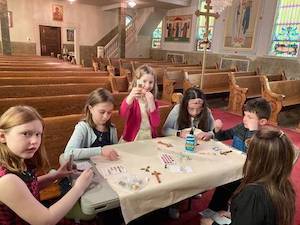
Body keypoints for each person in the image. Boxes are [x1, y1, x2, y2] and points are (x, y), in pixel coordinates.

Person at [0, 105, 93, 225]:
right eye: (26, 133)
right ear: (2, 136)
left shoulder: (19, 160)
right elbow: (46, 220)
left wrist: (56, 175)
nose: (35, 141)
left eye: (38, 134)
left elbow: (28, 188)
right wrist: (79, 187)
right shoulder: (7, 180)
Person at [201, 126, 296, 225]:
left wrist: (211, 224)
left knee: (204, 221)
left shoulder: (253, 193)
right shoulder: (285, 186)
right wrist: (236, 214)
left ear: (256, 160)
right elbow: (261, 216)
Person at [208, 97, 271, 211]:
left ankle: (227, 211)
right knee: (223, 184)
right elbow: (224, 136)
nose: (244, 119)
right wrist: (217, 130)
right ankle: (214, 211)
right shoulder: (241, 128)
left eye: (249, 117)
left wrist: (253, 132)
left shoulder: (264, 137)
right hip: (234, 167)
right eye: (245, 115)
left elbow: (252, 155)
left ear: (262, 122)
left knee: (229, 185)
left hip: (249, 174)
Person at [64, 88, 119, 161]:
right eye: (102, 112)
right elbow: (68, 153)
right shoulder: (82, 127)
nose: (106, 117)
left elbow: (114, 150)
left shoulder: (112, 128)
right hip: (87, 169)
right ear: (91, 109)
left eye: (109, 112)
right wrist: (100, 151)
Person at [120, 64, 160, 142]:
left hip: (149, 137)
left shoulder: (153, 101)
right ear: (137, 81)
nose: (147, 86)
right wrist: (130, 97)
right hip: (132, 138)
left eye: (151, 82)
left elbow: (156, 124)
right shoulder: (133, 100)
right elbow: (122, 114)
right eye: (144, 81)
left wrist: (151, 104)